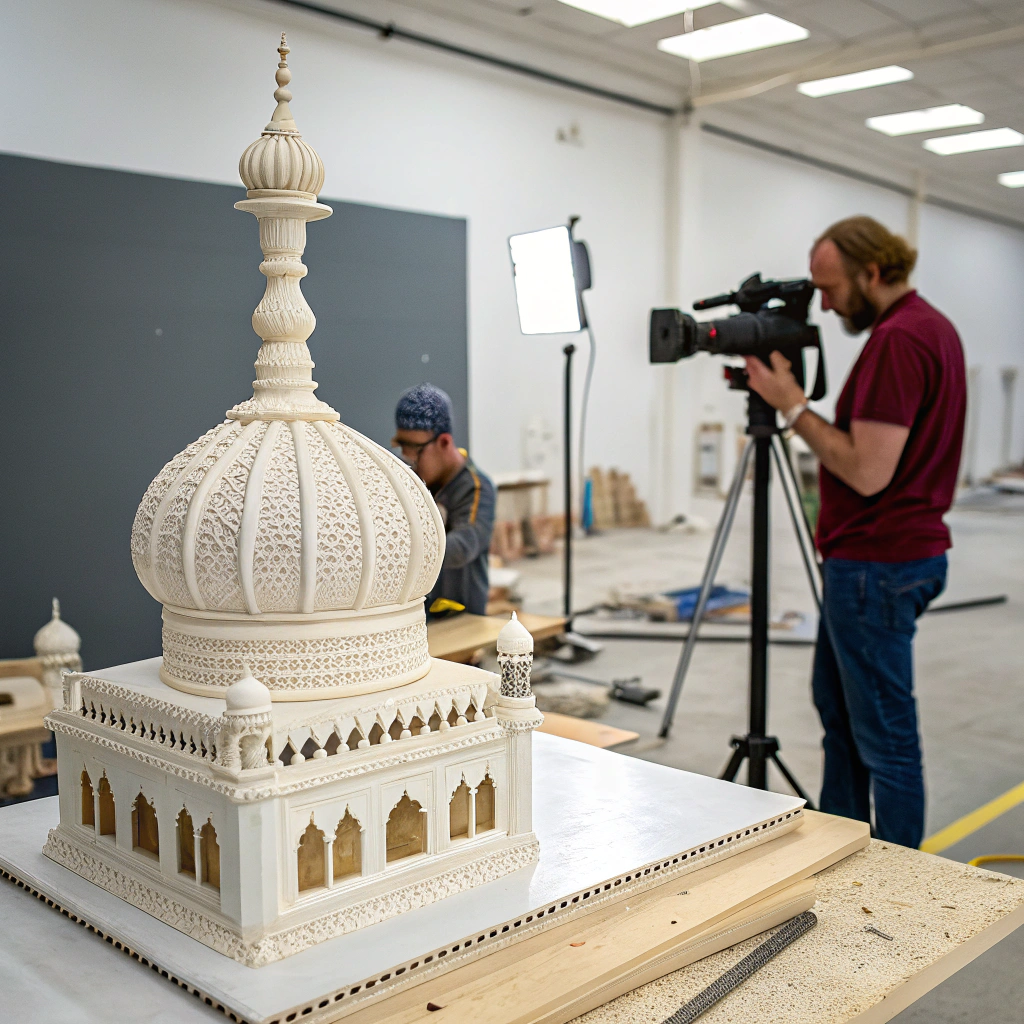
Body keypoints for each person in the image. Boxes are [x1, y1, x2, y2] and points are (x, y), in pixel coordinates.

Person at [744, 215, 966, 849]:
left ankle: (900, 874)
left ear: (873, 271)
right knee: (840, 714)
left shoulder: (900, 340)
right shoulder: (933, 328)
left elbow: (868, 471)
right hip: (885, 559)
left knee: (886, 740)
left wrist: (791, 405)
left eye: (832, 287)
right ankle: (843, 844)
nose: (824, 303)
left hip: (878, 565)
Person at [393, 383, 495, 616]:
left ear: (445, 442)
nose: (408, 458)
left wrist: (397, 550)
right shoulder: (415, 480)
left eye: (415, 449)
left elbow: (463, 547)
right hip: (420, 615)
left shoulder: (476, 487)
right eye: (402, 446)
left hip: (460, 615)